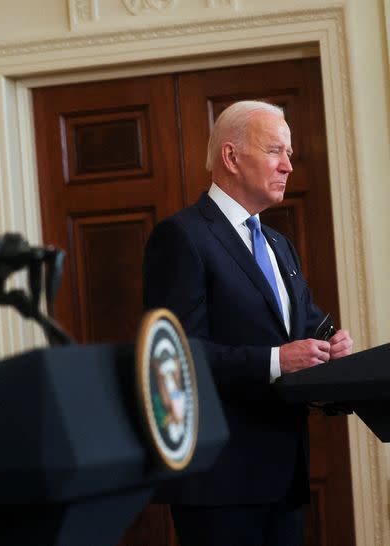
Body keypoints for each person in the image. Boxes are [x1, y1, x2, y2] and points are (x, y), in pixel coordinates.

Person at [143, 100, 353, 546]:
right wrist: (277, 360)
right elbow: (174, 358)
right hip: (219, 484)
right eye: (276, 150)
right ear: (231, 157)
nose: (288, 166)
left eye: (290, 154)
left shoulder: (279, 244)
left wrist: (331, 346)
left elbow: (306, 326)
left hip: (284, 477)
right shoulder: (183, 237)